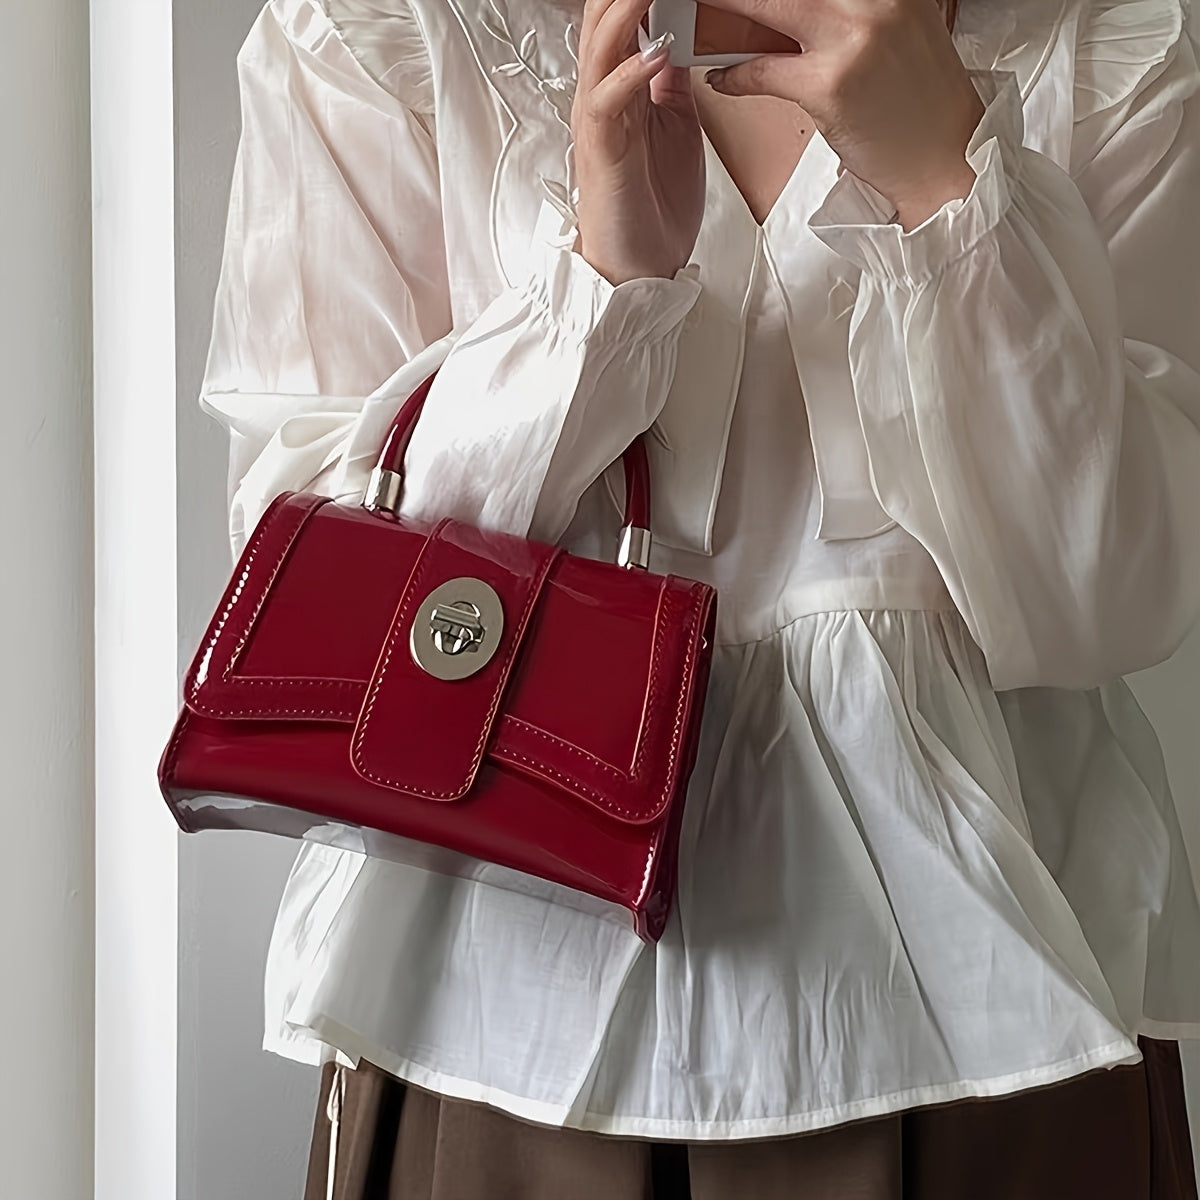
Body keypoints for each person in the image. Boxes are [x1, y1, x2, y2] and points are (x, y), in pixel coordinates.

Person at [198, 0, 1200, 1194]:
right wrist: (598, 292)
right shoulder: (389, 34)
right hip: (494, 1018)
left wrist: (949, 184)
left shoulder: (1104, 44)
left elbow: (1114, 602)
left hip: (1001, 1024)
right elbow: (318, 585)